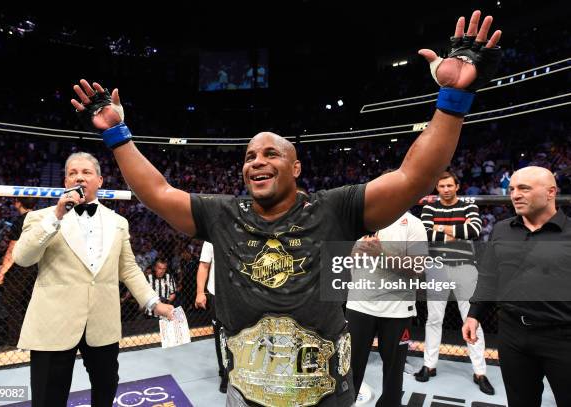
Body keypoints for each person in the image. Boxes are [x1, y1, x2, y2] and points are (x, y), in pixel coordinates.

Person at [71, 11, 502, 406]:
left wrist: (452, 100)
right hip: (247, 392)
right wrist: (118, 135)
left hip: (324, 393)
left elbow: (414, 177)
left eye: (270, 154)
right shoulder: (224, 214)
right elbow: (158, 193)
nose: (256, 161)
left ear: (295, 166)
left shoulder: (335, 208)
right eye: (249, 156)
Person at [12, 152, 174, 407]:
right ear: (65, 182)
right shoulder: (40, 217)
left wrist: (154, 302)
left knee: (106, 389)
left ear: (99, 180)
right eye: (73, 173)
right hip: (54, 322)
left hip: (102, 322)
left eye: (86, 172)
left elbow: (129, 268)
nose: (79, 177)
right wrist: (56, 216)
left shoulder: (118, 222)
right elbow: (22, 258)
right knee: (47, 398)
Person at [463, 166, 571, 407]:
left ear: (551, 192)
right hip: (512, 333)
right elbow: (489, 275)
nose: (514, 195)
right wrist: (474, 314)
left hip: (562, 337)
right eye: (511, 189)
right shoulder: (502, 229)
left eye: (524, 188)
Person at [416, 171, 494, 395]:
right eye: (441, 186)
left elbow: (474, 231)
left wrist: (441, 229)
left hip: (465, 267)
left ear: (457, 186)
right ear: (437, 188)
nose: (446, 189)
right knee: (434, 318)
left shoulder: (469, 206)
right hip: (437, 267)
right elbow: (425, 234)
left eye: (450, 185)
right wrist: (456, 232)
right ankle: (429, 365)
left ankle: (480, 371)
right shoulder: (429, 208)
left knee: (471, 319)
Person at [346, 210, 428, 406]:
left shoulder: (413, 224)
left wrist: (381, 254)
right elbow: (348, 260)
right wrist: (356, 253)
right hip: (360, 304)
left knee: (393, 373)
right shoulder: (362, 219)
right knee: (350, 368)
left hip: (397, 309)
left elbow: (418, 268)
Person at [0, 197, 38, 351]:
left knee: (12, 302)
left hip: (21, 267)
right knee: (30, 303)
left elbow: (12, 249)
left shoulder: (21, 221)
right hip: (38, 266)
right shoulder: (39, 218)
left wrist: (2, 273)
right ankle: (31, 339)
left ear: (18, 203)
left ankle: (15, 342)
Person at [194, 241, 228, 393]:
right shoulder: (212, 235)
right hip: (216, 293)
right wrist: (200, 292)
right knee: (220, 336)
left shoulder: (245, 227)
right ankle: (225, 374)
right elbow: (204, 265)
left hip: (241, 294)